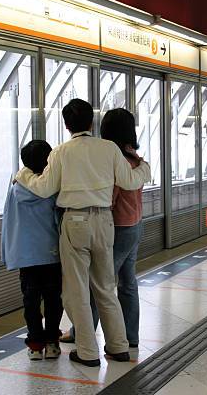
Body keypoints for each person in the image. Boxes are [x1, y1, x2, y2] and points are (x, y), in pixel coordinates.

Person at [15, 98, 151, 367]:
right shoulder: (109, 149)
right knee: (106, 287)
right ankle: (118, 347)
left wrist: (25, 176)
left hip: (75, 222)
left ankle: (87, 351)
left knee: (77, 290)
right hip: (104, 221)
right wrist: (145, 166)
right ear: (92, 122)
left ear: (66, 125)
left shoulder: (61, 153)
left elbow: (44, 189)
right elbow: (130, 180)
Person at [61, 108, 143, 348]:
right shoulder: (134, 156)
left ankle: (82, 334)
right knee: (127, 283)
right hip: (135, 225)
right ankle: (130, 336)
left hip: (117, 227)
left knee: (100, 284)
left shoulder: (113, 157)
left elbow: (110, 197)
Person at [1, 140, 62, 361]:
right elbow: (58, 221)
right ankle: (52, 343)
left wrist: (9, 253)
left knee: (31, 300)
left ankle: (35, 345)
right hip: (51, 254)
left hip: (26, 256)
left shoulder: (15, 188)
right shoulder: (52, 190)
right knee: (54, 298)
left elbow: (8, 222)